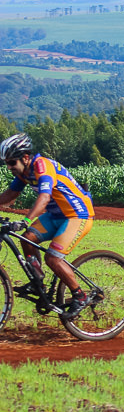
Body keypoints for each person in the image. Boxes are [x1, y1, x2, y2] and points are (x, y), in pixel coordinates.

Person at [0, 133, 95, 318]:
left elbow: (44, 198)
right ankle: (39, 283)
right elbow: (10, 194)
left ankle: (80, 296)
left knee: (53, 258)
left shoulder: (42, 166)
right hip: (56, 215)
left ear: (25, 158)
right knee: (27, 239)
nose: (9, 167)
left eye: (12, 162)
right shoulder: (24, 172)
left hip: (78, 215)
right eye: (6, 163)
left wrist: (26, 221)